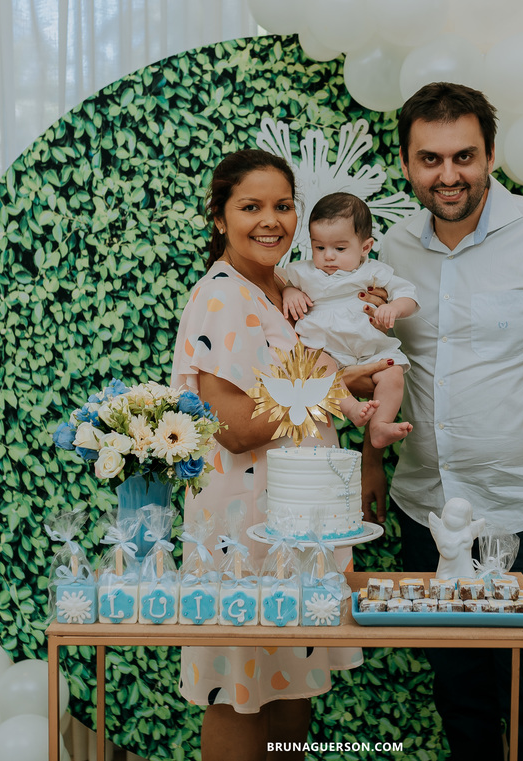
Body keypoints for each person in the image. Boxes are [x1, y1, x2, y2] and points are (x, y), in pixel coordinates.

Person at [362, 82, 523, 760]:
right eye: (430, 159)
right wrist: (369, 463)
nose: (448, 175)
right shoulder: (393, 251)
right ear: (407, 162)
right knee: (460, 699)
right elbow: (377, 363)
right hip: (427, 512)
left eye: (464, 156)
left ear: (491, 155)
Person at [170, 149, 384, 761]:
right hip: (244, 529)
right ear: (220, 217)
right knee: (239, 688)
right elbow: (235, 429)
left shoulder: (286, 286)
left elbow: (306, 378)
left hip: (298, 521)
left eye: (283, 206)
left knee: (291, 678)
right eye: (251, 207)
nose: (271, 220)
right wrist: (330, 384)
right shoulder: (221, 296)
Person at [281, 192, 418, 448]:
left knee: (393, 374)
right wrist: (291, 293)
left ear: (365, 247)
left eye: (340, 248)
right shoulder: (305, 272)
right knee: (315, 364)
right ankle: (351, 408)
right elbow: (289, 284)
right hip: (326, 349)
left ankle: (380, 425)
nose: (328, 256)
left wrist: (395, 308)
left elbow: (407, 293)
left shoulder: (373, 271)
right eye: (319, 247)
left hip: (371, 351)